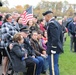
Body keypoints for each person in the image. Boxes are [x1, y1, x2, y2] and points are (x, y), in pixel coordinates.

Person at [42, 11, 63, 75]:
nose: (44, 18)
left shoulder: (52, 24)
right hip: (56, 47)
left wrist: (53, 47)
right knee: (55, 65)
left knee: (53, 66)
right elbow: (60, 36)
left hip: (53, 49)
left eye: (45, 17)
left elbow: (55, 37)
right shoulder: (56, 23)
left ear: (48, 16)